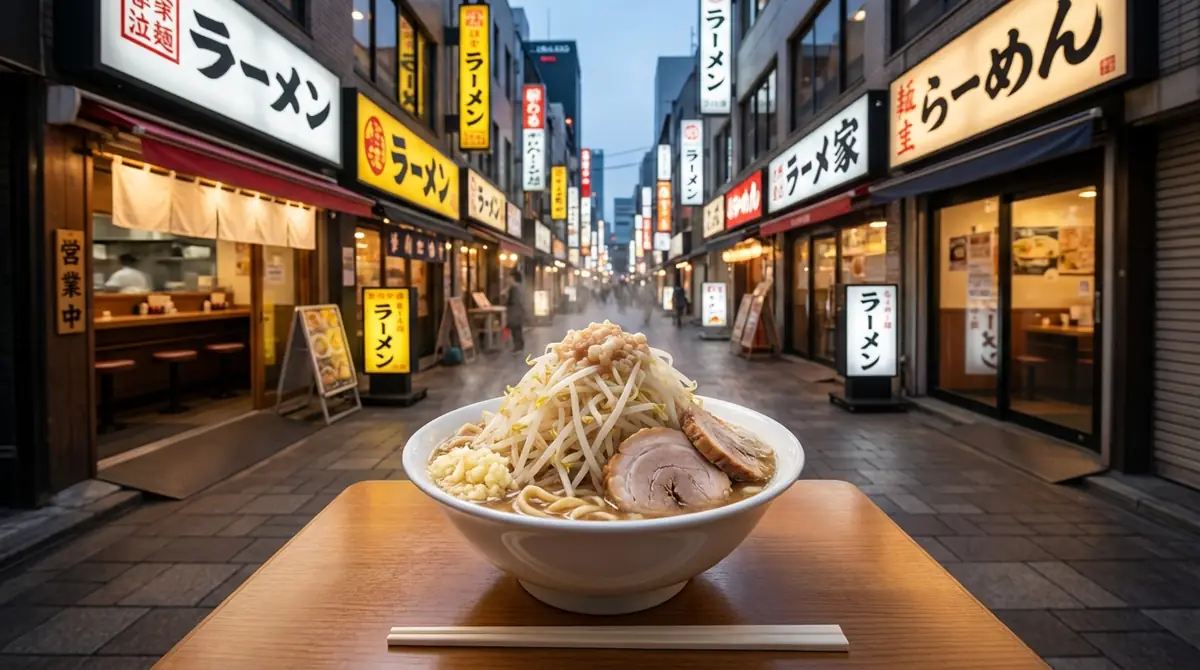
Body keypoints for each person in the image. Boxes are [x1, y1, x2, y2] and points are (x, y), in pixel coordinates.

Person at [503, 269, 527, 353]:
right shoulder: (520, 286)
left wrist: (505, 292)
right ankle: (520, 345)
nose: (508, 279)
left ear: (513, 278)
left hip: (514, 311)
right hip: (519, 311)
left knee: (515, 329)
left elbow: (509, 300)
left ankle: (517, 346)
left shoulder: (513, 288)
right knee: (518, 329)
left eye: (509, 277)